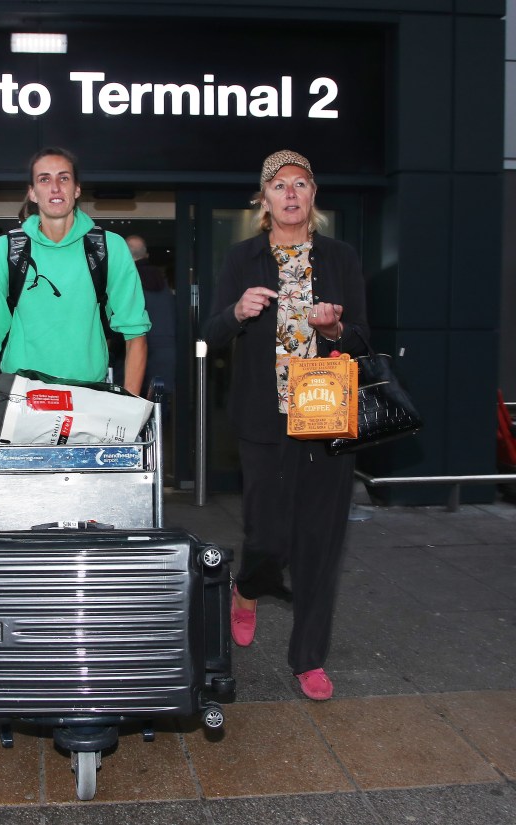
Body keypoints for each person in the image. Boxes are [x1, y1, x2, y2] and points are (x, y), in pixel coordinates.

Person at [201, 150, 369, 701]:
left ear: (313, 196)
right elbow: (210, 337)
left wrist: (338, 327)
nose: (291, 193)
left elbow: (363, 341)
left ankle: (308, 659)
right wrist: (236, 313)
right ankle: (247, 587)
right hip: (262, 417)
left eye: (301, 184)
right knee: (267, 535)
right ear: (264, 199)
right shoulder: (242, 259)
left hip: (325, 415)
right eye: (280, 185)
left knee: (321, 541)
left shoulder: (341, 257)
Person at [0, 147, 151, 415]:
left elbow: (135, 333)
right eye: (44, 179)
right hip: (22, 402)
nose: (55, 188)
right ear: (32, 192)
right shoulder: (7, 251)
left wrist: (128, 409)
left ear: (76, 189)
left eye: (64, 178)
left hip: (88, 400)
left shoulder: (109, 248)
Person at [125, 235, 176, 396]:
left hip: (136, 347)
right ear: (146, 255)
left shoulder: (127, 279)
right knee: (160, 401)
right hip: (166, 348)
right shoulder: (161, 280)